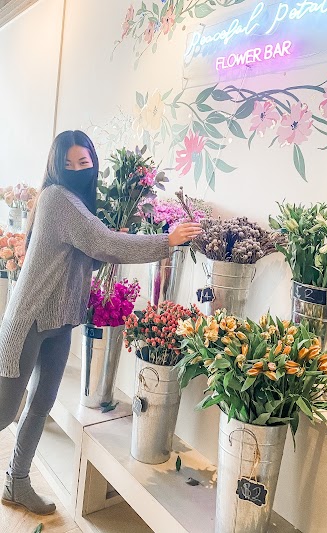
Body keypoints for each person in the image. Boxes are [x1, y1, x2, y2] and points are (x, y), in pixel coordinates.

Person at [0, 130, 202, 515]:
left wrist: (111, 241)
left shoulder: (77, 202)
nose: (76, 169)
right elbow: (101, 243)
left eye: (84, 162)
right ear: (56, 166)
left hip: (59, 324)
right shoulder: (58, 198)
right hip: (28, 323)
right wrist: (167, 240)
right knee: (4, 412)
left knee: (40, 405)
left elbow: (86, 255)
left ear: (93, 164)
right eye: (68, 163)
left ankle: (17, 483)